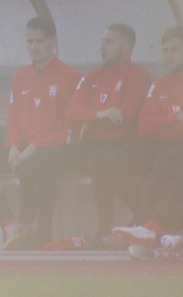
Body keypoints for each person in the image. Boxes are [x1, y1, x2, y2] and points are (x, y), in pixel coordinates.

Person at [0, 17, 82, 250]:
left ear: (53, 42)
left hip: (55, 148)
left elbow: (71, 127)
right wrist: (13, 147)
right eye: (30, 41)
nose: (34, 47)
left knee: (37, 164)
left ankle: (42, 231)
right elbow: (14, 119)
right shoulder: (20, 76)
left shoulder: (70, 76)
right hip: (24, 147)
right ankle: (12, 226)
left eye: (40, 41)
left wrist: (34, 147)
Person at [37, 23, 150, 249]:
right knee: (44, 159)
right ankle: (42, 232)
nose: (101, 47)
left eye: (109, 42)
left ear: (126, 47)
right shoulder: (92, 76)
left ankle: (132, 220)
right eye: (102, 41)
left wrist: (90, 119)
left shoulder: (138, 75)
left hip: (121, 143)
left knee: (98, 160)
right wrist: (99, 114)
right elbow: (72, 110)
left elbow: (126, 115)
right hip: (93, 142)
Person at [110, 27, 183, 248]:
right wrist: (176, 117)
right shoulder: (160, 84)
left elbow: (155, 124)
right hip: (160, 144)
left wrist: (162, 123)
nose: (169, 55)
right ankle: (144, 222)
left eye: (175, 50)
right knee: (112, 163)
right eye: (165, 50)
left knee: (165, 163)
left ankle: (143, 224)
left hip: (176, 148)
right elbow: (144, 125)